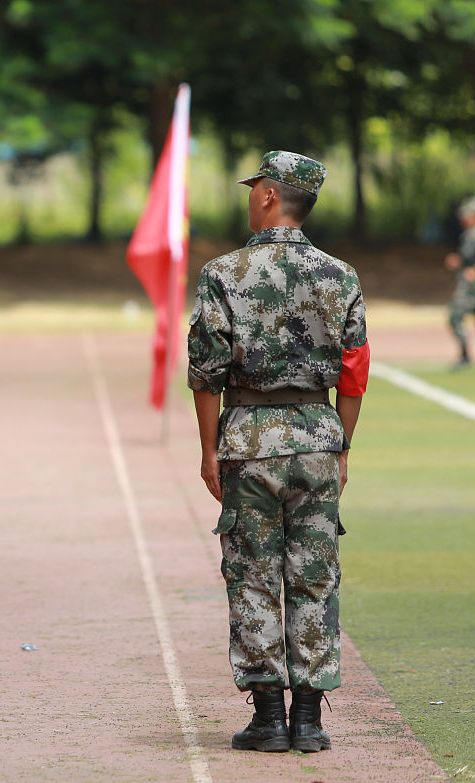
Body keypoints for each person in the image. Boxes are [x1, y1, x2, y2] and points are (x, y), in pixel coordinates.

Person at [188, 151, 368, 753]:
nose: (250, 195)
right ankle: (310, 721)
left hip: (248, 442)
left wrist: (210, 449)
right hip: (318, 435)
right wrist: (341, 444)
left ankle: (268, 719)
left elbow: (205, 373)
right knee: (315, 577)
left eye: (254, 186)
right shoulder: (341, 276)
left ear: (269, 195)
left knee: (253, 577)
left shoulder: (223, 272)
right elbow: (353, 371)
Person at [443, 197, 475, 368]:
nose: (463, 218)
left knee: (455, 316)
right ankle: (464, 354)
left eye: (466, 215)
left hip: (470, 288)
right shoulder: (468, 235)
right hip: (468, 287)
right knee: (455, 317)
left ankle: (464, 355)